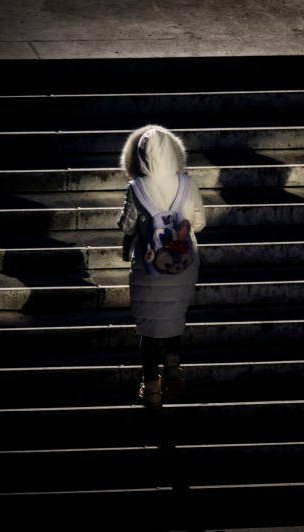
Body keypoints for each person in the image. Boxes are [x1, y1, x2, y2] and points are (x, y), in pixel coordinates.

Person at [117, 125, 207, 408]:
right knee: (173, 318)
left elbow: (126, 224)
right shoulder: (187, 183)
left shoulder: (137, 187)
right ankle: (173, 372)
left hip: (148, 267)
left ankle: (152, 387)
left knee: (149, 327)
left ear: (141, 155)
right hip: (183, 265)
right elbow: (200, 223)